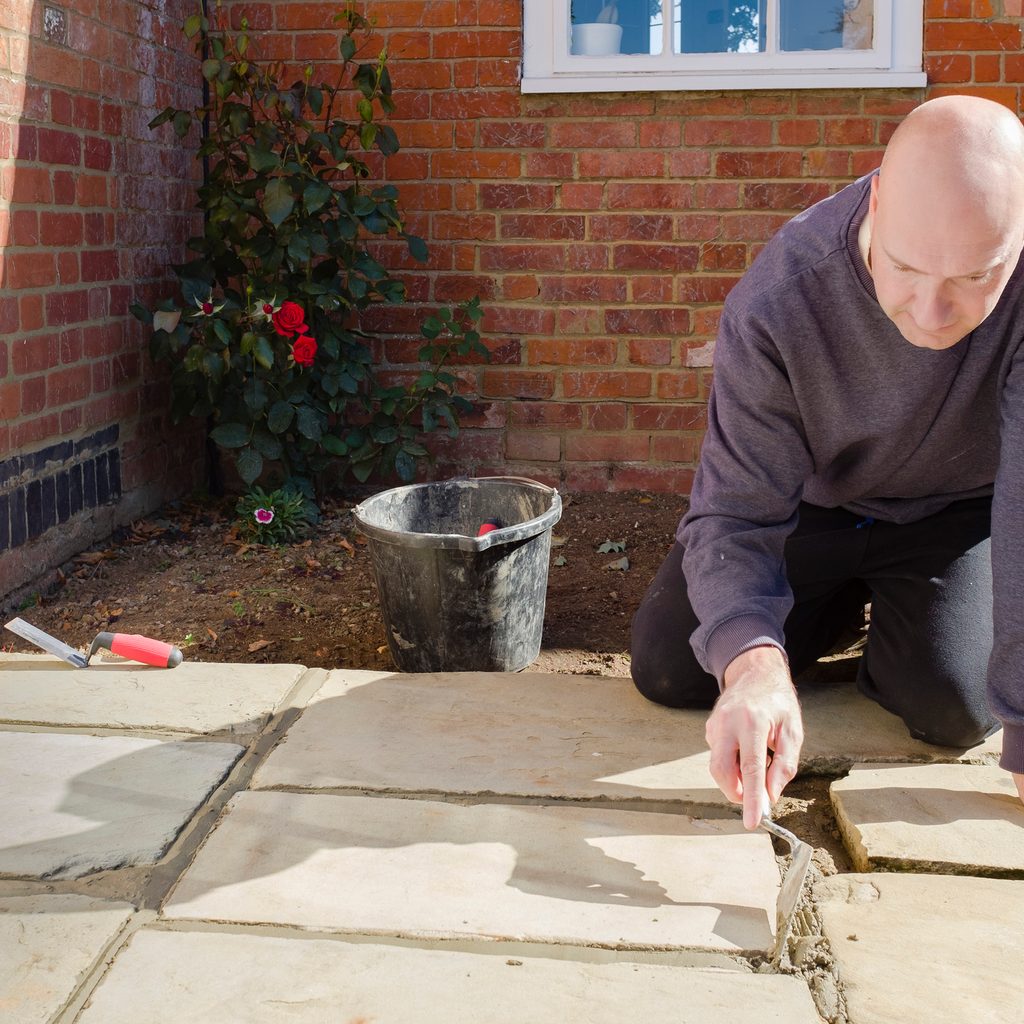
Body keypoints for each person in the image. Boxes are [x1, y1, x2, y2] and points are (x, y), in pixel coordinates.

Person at [630, 95, 1024, 829]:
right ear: (877, 197)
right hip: (812, 509)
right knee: (674, 665)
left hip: (957, 512)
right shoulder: (780, 300)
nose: (931, 313)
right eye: (905, 268)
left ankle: (902, 630)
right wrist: (754, 665)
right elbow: (736, 508)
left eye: (975, 278)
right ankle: (825, 616)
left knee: (959, 707)